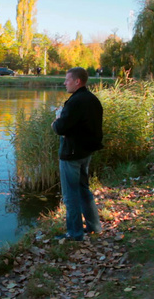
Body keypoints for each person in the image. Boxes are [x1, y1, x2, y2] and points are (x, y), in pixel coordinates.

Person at [51, 67, 104, 241]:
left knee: (70, 195)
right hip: (85, 152)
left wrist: (56, 122)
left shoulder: (75, 102)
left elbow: (60, 128)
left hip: (72, 154)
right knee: (83, 190)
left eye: (67, 80)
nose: (65, 83)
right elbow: (89, 126)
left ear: (77, 81)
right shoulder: (92, 99)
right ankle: (94, 226)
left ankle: (75, 233)